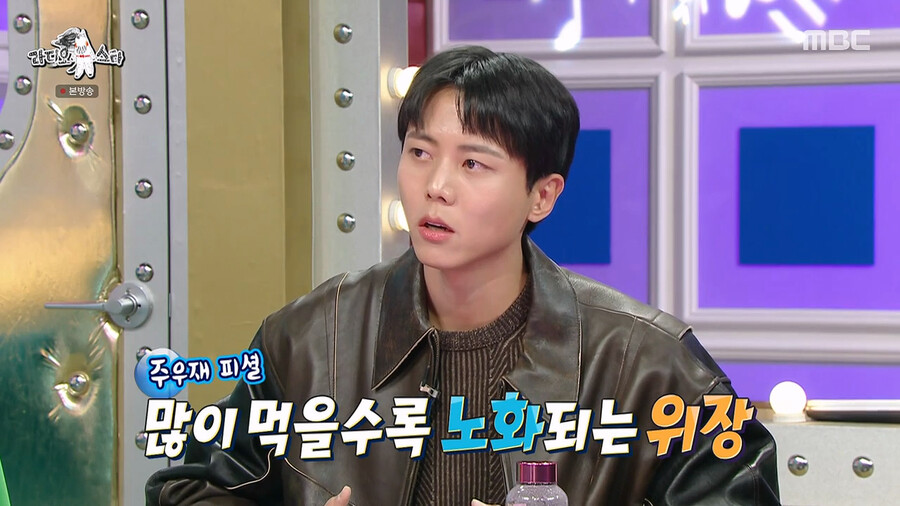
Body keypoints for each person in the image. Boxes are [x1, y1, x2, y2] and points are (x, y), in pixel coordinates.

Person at [146, 45, 780, 506]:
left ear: (542, 196)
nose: (436, 186)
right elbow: (191, 488)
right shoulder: (311, 338)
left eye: (474, 164)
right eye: (420, 153)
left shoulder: (647, 363)